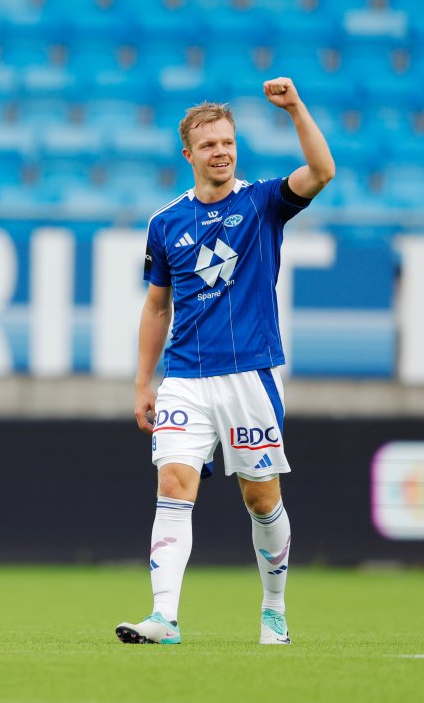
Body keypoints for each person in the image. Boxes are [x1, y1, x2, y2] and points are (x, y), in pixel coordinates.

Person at [115, 79, 335, 647]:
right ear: (187, 154)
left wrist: (295, 110)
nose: (220, 152)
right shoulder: (165, 223)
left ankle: (274, 611)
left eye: (228, 142)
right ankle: (163, 618)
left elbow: (322, 172)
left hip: (250, 376)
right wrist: (145, 382)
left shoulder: (263, 202)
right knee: (174, 486)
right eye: (209, 144)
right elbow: (157, 305)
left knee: (261, 499)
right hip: (184, 378)